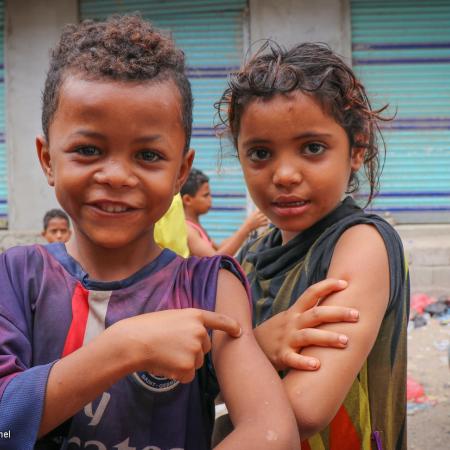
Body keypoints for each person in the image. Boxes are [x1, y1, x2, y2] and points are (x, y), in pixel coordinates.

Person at [0, 16, 301, 450]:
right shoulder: (15, 278)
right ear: (48, 159)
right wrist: (124, 347)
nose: (118, 175)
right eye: (88, 150)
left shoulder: (210, 287)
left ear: (181, 170)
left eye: (147, 154)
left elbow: (271, 432)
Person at [213, 42, 410, 450]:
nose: (284, 174)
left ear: (357, 150)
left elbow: (304, 408)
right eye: (260, 153)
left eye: (312, 148)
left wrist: (241, 354)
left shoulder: (361, 243)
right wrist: (259, 347)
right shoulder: (250, 257)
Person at [181, 167, 268, 256]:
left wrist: (246, 229)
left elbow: (219, 248)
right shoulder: (189, 230)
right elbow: (215, 260)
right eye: (205, 195)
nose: (210, 199)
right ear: (187, 200)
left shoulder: (196, 226)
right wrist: (246, 228)